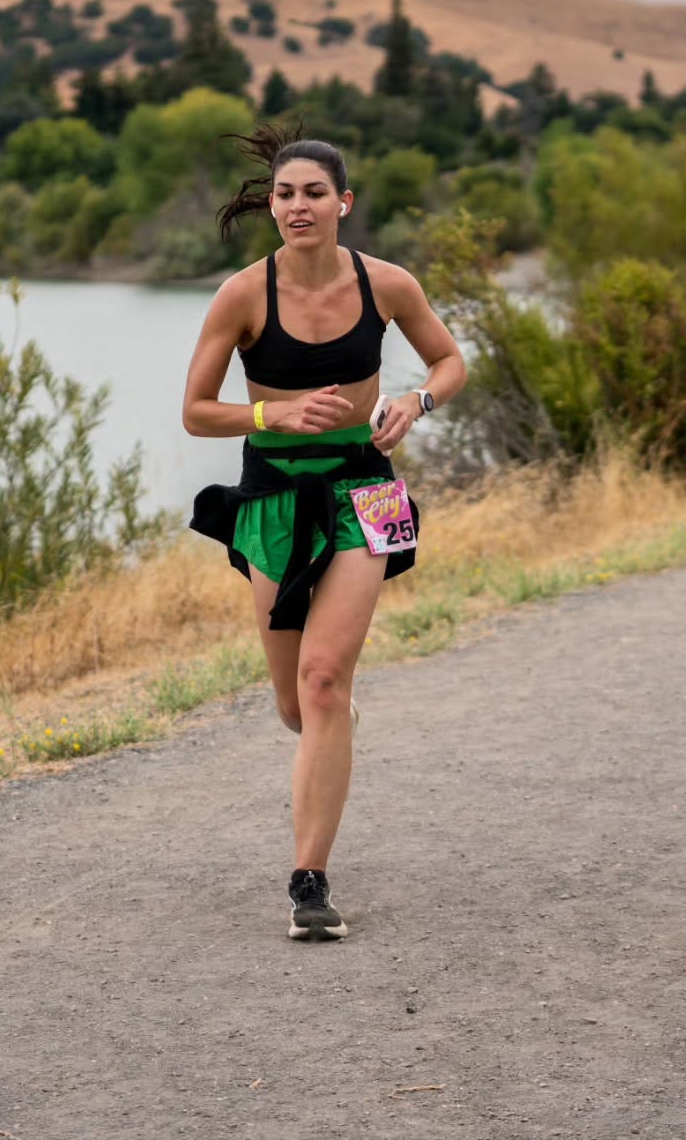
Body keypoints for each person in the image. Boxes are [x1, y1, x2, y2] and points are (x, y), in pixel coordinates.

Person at [183, 125, 466, 941]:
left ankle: (310, 881)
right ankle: (328, 738)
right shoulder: (241, 295)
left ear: (343, 203)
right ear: (269, 205)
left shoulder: (387, 285)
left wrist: (417, 401)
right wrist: (272, 411)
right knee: (293, 704)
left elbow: (450, 363)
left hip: (365, 492)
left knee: (323, 680)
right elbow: (197, 411)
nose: (298, 206)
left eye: (314, 193)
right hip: (273, 494)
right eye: (284, 194)